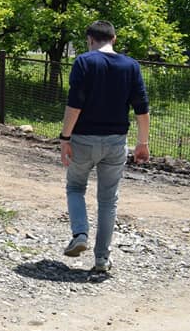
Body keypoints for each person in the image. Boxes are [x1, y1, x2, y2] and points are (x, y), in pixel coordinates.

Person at [58, 20, 149, 273]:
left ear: (89, 39)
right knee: (108, 201)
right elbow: (142, 109)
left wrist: (65, 138)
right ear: (114, 39)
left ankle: (80, 234)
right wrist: (143, 143)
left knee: (75, 187)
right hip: (115, 142)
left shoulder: (84, 62)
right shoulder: (131, 66)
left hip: (83, 140)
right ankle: (101, 259)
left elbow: (75, 105)